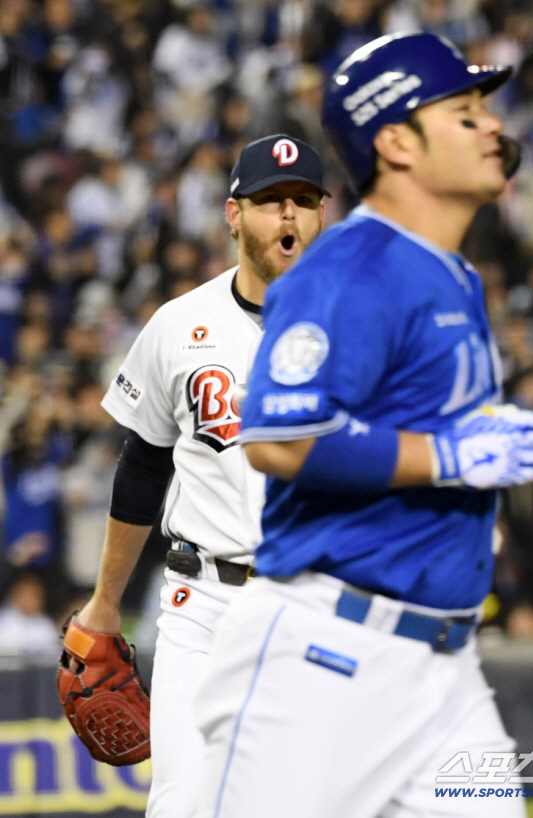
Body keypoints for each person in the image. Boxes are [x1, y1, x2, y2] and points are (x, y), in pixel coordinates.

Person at [196, 32, 533, 818]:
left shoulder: (449, 269)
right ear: (396, 141)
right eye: (464, 112)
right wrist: (448, 454)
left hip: (444, 666)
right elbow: (282, 438)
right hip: (328, 655)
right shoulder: (352, 267)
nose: (493, 127)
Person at [64, 134, 328, 818]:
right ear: (234, 215)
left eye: (304, 201)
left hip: (317, 602)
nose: (289, 216)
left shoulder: (360, 330)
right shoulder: (179, 326)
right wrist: (104, 601)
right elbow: (144, 464)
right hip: (201, 604)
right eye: (271, 202)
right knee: (183, 805)